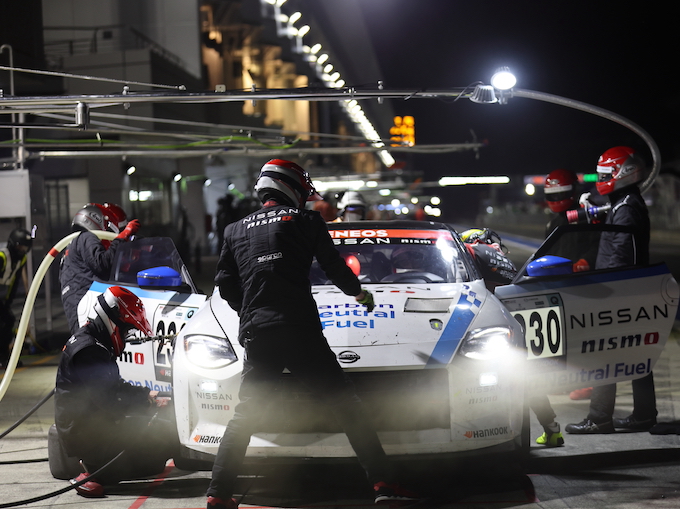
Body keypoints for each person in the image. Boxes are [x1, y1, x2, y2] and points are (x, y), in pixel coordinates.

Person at [206, 159, 417, 509]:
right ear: (292, 187)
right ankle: (384, 484)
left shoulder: (235, 229)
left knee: (245, 415)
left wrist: (249, 312)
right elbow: (334, 266)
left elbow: (225, 283)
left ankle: (218, 493)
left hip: (258, 332)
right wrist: (359, 294)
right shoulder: (306, 220)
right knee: (347, 407)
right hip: (299, 328)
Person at [566, 146, 655, 434]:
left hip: (618, 291)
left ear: (624, 173)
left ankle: (599, 418)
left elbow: (621, 253)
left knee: (604, 355)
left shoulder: (626, 208)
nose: (601, 180)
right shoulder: (623, 203)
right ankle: (644, 415)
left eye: (606, 175)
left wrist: (606, 291)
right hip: (629, 290)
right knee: (638, 356)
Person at [55, 286, 174, 497]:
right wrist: (147, 406)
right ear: (114, 322)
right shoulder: (89, 351)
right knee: (162, 435)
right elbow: (111, 402)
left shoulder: (96, 342)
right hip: (88, 435)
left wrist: (145, 394)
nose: (127, 336)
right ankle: (95, 471)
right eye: (127, 330)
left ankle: (103, 466)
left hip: (92, 425)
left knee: (158, 439)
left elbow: (114, 386)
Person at [60, 204, 140, 334]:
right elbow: (103, 265)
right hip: (88, 307)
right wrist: (123, 236)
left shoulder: (71, 247)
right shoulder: (86, 237)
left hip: (77, 308)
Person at [0, 228, 33, 368]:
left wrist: (8, 302)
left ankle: (4, 356)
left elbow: (14, 282)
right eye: (20, 247)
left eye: (25, 247)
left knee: (8, 321)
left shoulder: (21, 259)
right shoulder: (2, 257)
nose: (22, 250)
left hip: (2, 297)